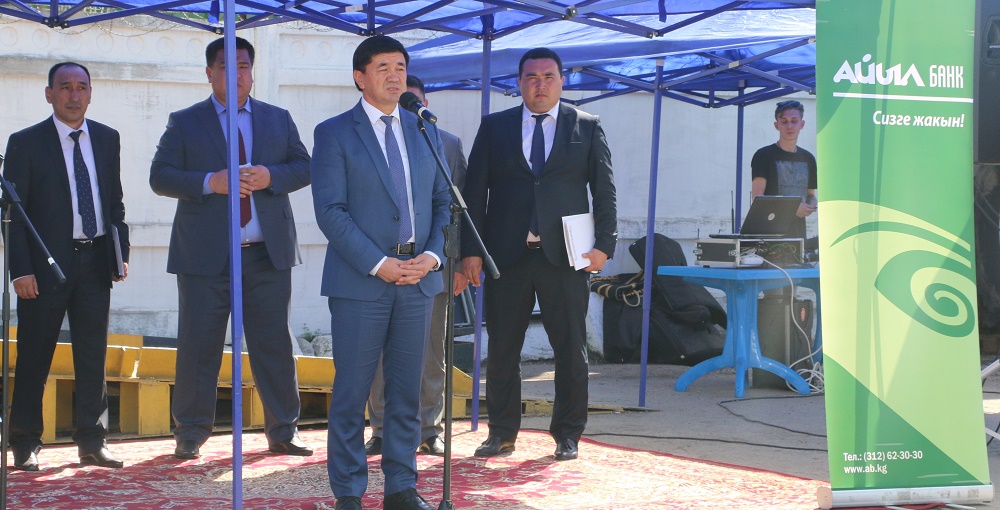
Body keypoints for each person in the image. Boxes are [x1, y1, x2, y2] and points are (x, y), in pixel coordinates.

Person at [149, 36, 313, 460]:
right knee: (198, 345)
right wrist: (210, 182)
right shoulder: (185, 122)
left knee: (274, 345)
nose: (236, 74)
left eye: (243, 66)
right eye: (226, 66)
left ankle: (284, 429)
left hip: (266, 253)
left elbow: (304, 167)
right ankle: (190, 431)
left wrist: (271, 176)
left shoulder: (277, 118)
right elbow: (160, 176)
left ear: (252, 72)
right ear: (210, 73)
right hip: (205, 256)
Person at [311, 35, 450, 510]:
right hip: (361, 281)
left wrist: (432, 256)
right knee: (352, 392)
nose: (395, 76)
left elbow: (442, 203)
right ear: (360, 77)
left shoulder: (423, 128)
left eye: (400, 67)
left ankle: (401, 488)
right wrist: (379, 264)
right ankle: (349, 492)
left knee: (407, 393)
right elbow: (330, 211)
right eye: (384, 67)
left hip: (418, 277)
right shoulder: (335, 133)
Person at [461, 47, 618, 462]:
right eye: (531, 77)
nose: (540, 84)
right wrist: (470, 252)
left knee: (570, 350)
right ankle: (501, 433)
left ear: (562, 81)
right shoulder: (494, 127)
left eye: (549, 76)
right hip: (505, 256)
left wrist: (604, 245)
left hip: (565, 256)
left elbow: (604, 191)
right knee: (502, 349)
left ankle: (568, 434)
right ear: (519, 83)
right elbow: (474, 193)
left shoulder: (586, 126)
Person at [4, 61, 130, 470]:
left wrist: (120, 251)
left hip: (95, 260)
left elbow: (114, 203)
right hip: (44, 268)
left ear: (90, 93)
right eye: (65, 87)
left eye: (81, 87)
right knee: (35, 354)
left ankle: (92, 439)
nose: (74, 96)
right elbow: (12, 214)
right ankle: (25, 442)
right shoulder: (25, 142)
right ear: (49, 94)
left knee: (92, 355)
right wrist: (20, 270)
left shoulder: (107, 138)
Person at [364, 75, 468, 458]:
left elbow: (459, 209)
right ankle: (380, 428)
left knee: (430, 353)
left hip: (431, 266)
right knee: (378, 353)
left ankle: (428, 428)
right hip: (379, 264)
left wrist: (455, 263)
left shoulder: (448, 145)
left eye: (413, 101)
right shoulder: (365, 140)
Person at [750, 99, 817, 239]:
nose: (789, 126)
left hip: (798, 234)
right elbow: (757, 200)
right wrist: (792, 209)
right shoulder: (763, 155)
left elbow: (810, 194)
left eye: (794, 121)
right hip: (769, 235)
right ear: (777, 125)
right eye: (784, 121)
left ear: (802, 124)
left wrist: (810, 206)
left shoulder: (809, 158)